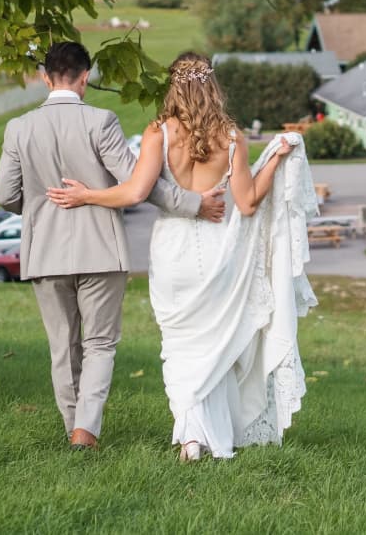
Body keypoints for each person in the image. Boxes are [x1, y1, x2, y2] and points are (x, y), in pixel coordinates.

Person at [48, 52, 318, 462]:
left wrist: (86, 195)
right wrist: (275, 160)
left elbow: (135, 192)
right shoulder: (231, 137)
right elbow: (246, 203)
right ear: (212, 86)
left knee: (178, 345)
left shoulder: (160, 133)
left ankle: (191, 439)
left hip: (173, 253)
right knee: (215, 345)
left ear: (174, 86)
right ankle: (208, 435)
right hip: (218, 253)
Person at [0, 42, 225, 452]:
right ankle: (87, 429)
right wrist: (194, 204)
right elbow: (140, 185)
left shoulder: (18, 128)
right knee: (100, 343)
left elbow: (5, 194)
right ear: (85, 78)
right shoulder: (101, 122)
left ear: (45, 78)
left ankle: (74, 430)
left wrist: (37, 207)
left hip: (43, 253)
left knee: (62, 345)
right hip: (101, 248)